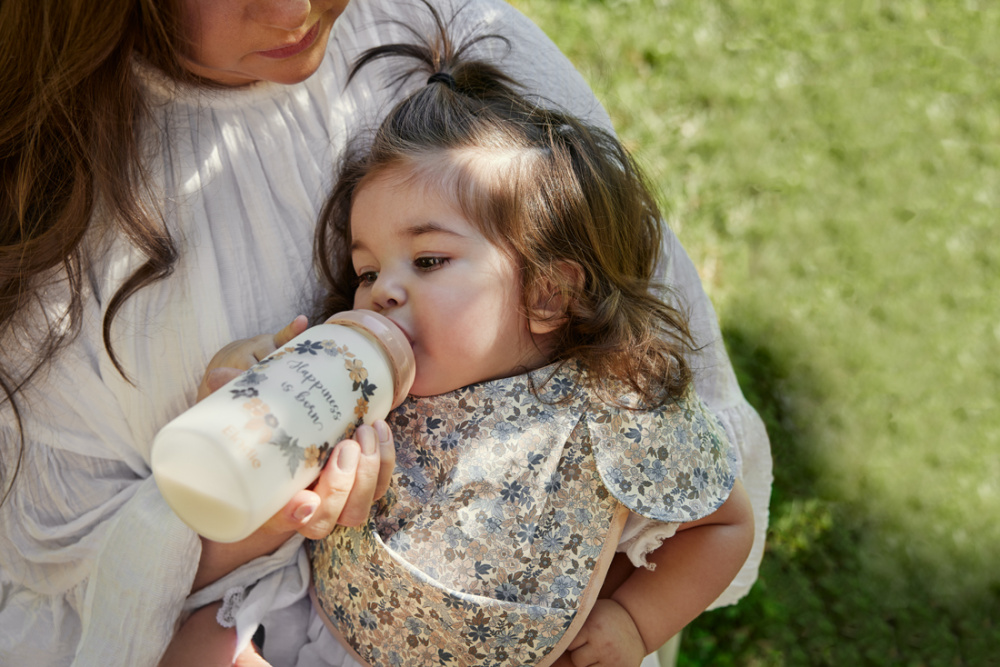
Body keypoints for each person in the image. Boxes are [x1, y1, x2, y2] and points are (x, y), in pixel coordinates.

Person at [0, 1, 772, 665]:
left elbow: (725, 517)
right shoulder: (376, 397)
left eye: (428, 259)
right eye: (365, 272)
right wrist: (259, 441)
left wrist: (635, 621)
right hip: (318, 629)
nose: (382, 292)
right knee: (203, 643)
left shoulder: (610, 408)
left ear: (549, 291)